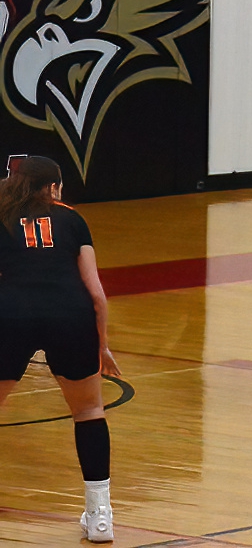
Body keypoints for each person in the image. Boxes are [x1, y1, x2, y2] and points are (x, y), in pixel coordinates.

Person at [0, 155, 120, 543]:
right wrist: (102, 345)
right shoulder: (73, 220)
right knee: (89, 411)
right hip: (71, 314)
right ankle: (100, 518)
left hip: (11, 314)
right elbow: (96, 294)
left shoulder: (2, 217)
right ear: (53, 187)